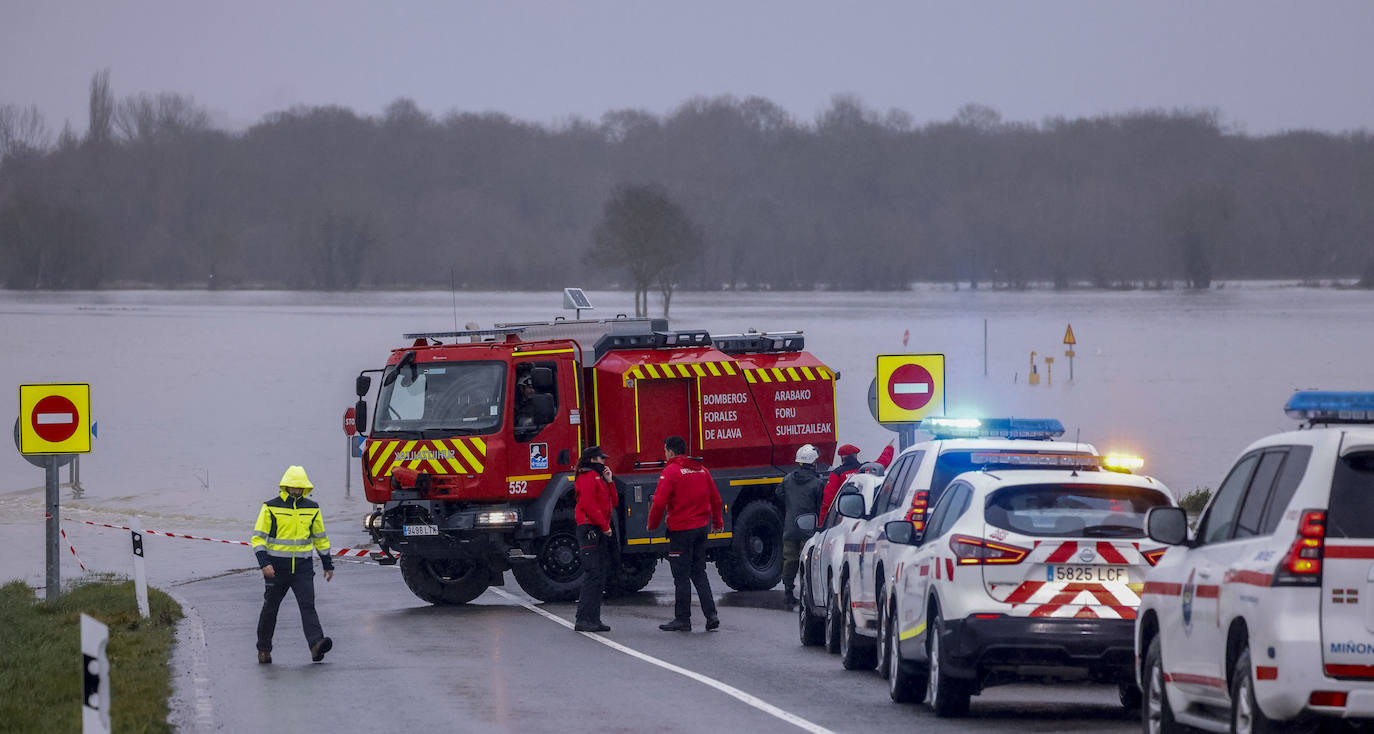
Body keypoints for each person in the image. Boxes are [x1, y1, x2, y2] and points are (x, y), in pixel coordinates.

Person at [251, 465, 334, 664]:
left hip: (303, 568)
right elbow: (258, 539)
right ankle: (264, 649)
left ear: (305, 488)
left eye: (300, 488)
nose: (297, 491)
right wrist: (264, 563)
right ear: (285, 487)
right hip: (276, 569)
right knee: (270, 609)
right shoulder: (270, 506)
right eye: (293, 487)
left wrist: (327, 564)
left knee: (308, 606)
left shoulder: (312, 507)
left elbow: (320, 538)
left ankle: (316, 645)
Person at [647, 435, 724, 632]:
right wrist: (717, 522)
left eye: (665, 451)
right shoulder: (701, 470)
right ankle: (711, 614)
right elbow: (716, 498)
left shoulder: (671, 472)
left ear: (671, 451)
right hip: (701, 528)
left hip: (681, 531)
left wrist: (652, 525)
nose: (664, 455)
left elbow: (659, 502)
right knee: (699, 572)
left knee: (680, 576)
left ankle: (683, 619)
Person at [573, 445, 617, 633]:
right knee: (593, 573)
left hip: (597, 528)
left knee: (599, 574)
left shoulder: (599, 478)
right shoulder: (587, 477)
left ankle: (594, 618)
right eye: (601, 459)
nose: (604, 462)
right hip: (590, 528)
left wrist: (610, 481)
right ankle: (583, 618)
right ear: (592, 460)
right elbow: (589, 504)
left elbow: (613, 502)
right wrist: (605, 526)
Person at [775, 444, 824, 606]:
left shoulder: (788, 479)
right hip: (808, 529)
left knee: (790, 560)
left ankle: (788, 592)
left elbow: (778, 494)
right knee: (807, 562)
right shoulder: (817, 482)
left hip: (789, 528)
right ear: (812, 463)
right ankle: (806, 594)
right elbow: (820, 505)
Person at [821, 441, 895, 518]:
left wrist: (822, 523)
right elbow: (882, 463)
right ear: (855, 455)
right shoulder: (867, 469)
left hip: (843, 515)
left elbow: (828, 501)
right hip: (866, 512)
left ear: (841, 458)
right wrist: (889, 448)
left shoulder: (837, 474)